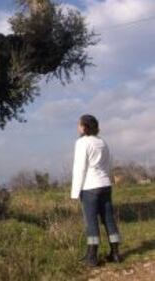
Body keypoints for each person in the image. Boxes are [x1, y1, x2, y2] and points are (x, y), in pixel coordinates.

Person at [71, 114, 122, 267]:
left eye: (79, 124)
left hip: (90, 187)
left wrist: (75, 192)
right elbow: (107, 164)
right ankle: (115, 254)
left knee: (91, 222)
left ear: (84, 126)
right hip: (105, 185)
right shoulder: (102, 142)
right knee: (109, 220)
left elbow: (79, 169)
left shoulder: (82, 143)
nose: (77, 127)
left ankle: (92, 257)